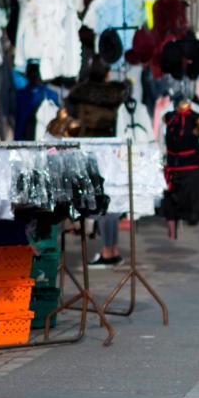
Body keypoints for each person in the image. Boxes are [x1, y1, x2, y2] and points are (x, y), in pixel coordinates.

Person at [68, 60, 129, 267]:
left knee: (98, 201)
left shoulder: (79, 95)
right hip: (111, 150)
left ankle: (106, 251)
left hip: (89, 151)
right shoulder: (115, 96)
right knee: (111, 200)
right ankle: (112, 250)